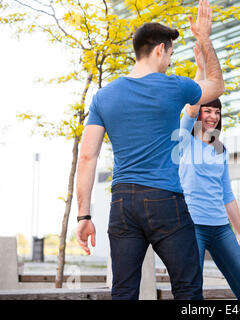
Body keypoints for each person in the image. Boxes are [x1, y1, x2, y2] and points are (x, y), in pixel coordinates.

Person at [75, 0, 224, 300]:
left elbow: (87, 156)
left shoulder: (104, 96)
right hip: (164, 200)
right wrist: (205, 39)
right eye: (170, 53)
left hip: (123, 203)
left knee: (124, 290)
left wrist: (83, 216)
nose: (169, 61)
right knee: (187, 287)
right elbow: (216, 86)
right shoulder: (173, 87)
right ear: (160, 50)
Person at [176, 43, 240, 300]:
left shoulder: (221, 149)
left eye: (216, 112)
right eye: (207, 111)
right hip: (193, 226)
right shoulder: (183, 140)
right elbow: (190, 105)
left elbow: (226, 193)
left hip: (221, 228)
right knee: (191, 293)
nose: (212, 116)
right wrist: (201, 68)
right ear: (199, 114)